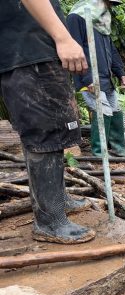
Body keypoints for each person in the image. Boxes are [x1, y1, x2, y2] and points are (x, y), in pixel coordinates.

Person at [0, 0, 96, 243]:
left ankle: (57, 199)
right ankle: (50, 220)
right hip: (29, 50)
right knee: (45, 130)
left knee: (53, 128)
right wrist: (63, 38)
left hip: (34, 47)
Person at [66, 0, 125, 158]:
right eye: (107, 3)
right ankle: (99, 151)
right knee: (102, 111)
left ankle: (118, 148)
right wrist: (87, 78)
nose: (108, 8)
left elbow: (111, 49)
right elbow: (75, 50)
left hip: (106, 77)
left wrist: (120, 72)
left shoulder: (101, 23)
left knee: (115, 110)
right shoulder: (76, 18)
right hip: (88, 78)